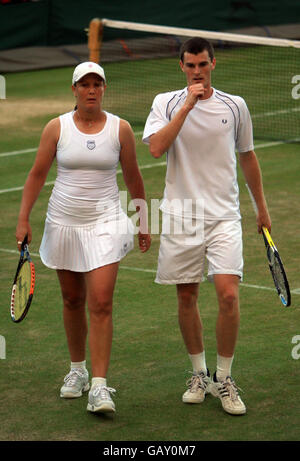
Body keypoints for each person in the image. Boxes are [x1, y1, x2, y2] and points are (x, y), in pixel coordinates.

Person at [143, 37, 271, 415]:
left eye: (203, 64)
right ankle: (199, 374)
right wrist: (187, 105)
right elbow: (155, 148)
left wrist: (260, 208)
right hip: (181, 216)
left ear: (214, 63)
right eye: (190, 65)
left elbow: (247, 156)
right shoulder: (165, 103)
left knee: (228, 295)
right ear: (180, 67)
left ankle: (224, 378)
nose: (197, 71)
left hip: (224, 217)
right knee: (186, 297)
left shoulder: (236, 106)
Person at [16, 61, 151, 415]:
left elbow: (134, 177)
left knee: (101, 301)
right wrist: (23, 219)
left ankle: (100, 388)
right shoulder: (55, 128)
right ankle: (77, 370)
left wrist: (144, 219)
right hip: (64, 223)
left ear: (104, 89)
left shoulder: (120, 129)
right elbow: (36, 175)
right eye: (84, 84)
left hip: (106, 223)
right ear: (73, 89)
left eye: (97, 84)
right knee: (72, 300)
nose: (91, 90)